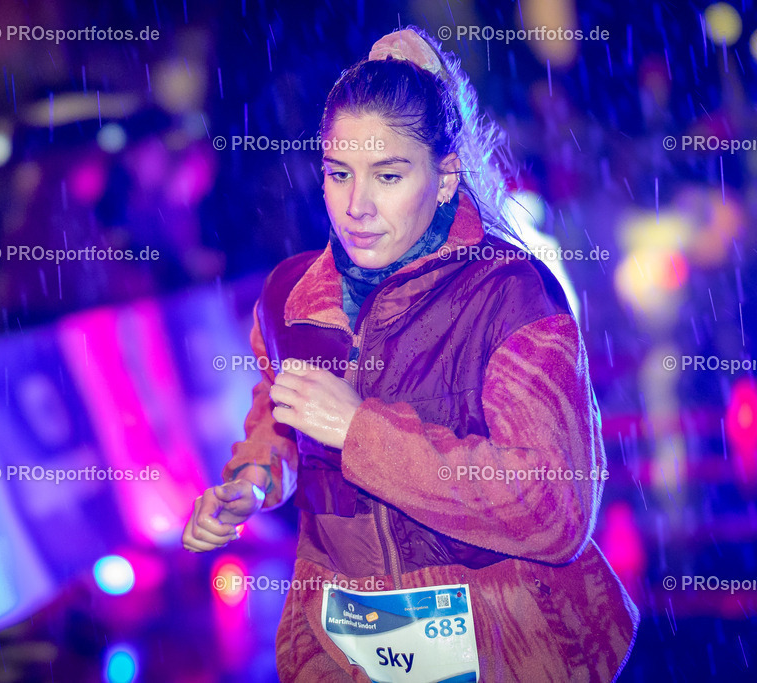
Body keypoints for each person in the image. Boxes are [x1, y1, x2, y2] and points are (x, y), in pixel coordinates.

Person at [183, 26, 638, 682]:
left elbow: (554, 509)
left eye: (388, 175)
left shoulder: (511, 293)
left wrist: (361, 431)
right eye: (339, 174)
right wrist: (253, 483)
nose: (357, 206)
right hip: (341, 650)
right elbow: (280, 424)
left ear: (446, 173)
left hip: (504, 647)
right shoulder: (291, 296)